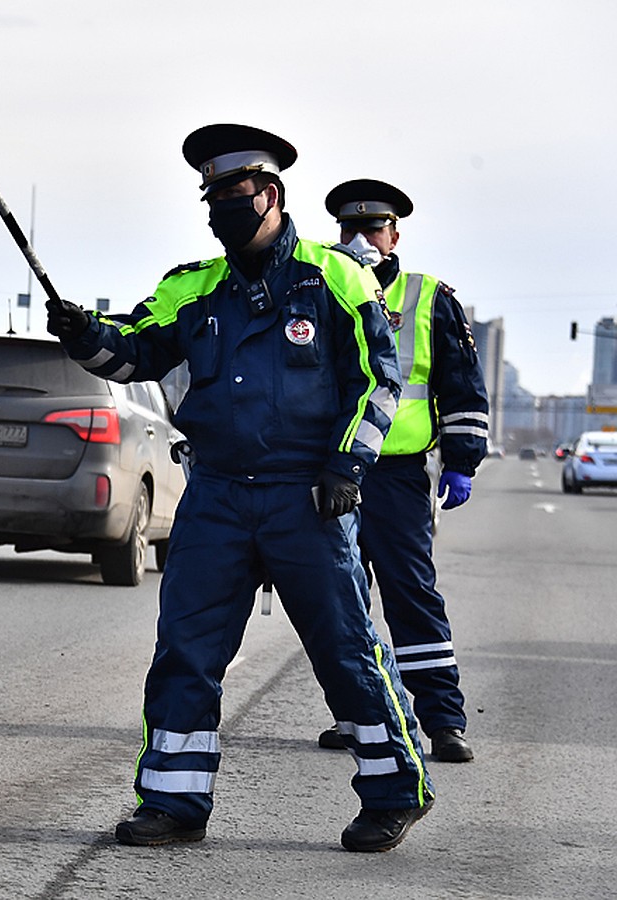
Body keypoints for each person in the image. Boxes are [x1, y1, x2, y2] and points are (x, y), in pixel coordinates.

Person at [46, 124, 433, 852]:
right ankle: (172, 801)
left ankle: (394, 788)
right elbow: (130, 354)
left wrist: (349, 466)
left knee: (346, 650)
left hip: (306, 497)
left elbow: (379, 381)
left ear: (271, 195)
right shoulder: (191, 286)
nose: (222, 209)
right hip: (218, 495)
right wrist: (81, 334)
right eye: (213, 198)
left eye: (235, 195)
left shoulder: (336, 278)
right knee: (185, 651)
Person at [318, 179, 490, 762]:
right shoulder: (316, 287)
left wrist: (462, 461)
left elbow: (461, 385)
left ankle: (443, 721)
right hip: (333, 471)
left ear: (395, 234)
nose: (362, 239)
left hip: (396, 476)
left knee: (411, 594)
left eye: (374, 228)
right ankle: (358, 716)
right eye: (350, 229)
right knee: (340, 598)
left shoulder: (429, 296)